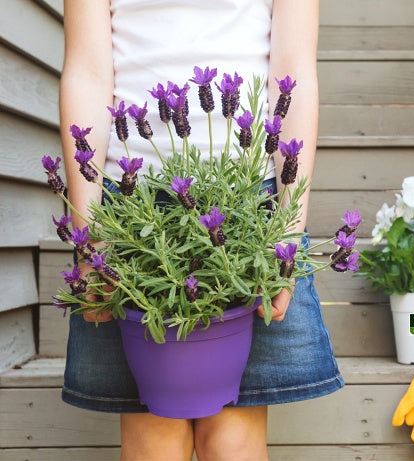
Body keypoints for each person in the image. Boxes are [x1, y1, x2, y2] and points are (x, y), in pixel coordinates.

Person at [59, 1, 342, 460]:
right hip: (132, 214)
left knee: (233, 442)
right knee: (155, 442)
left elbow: (294, 72)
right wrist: (89, 241)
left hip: (249, 204)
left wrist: (288, 229)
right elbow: (87, 73)